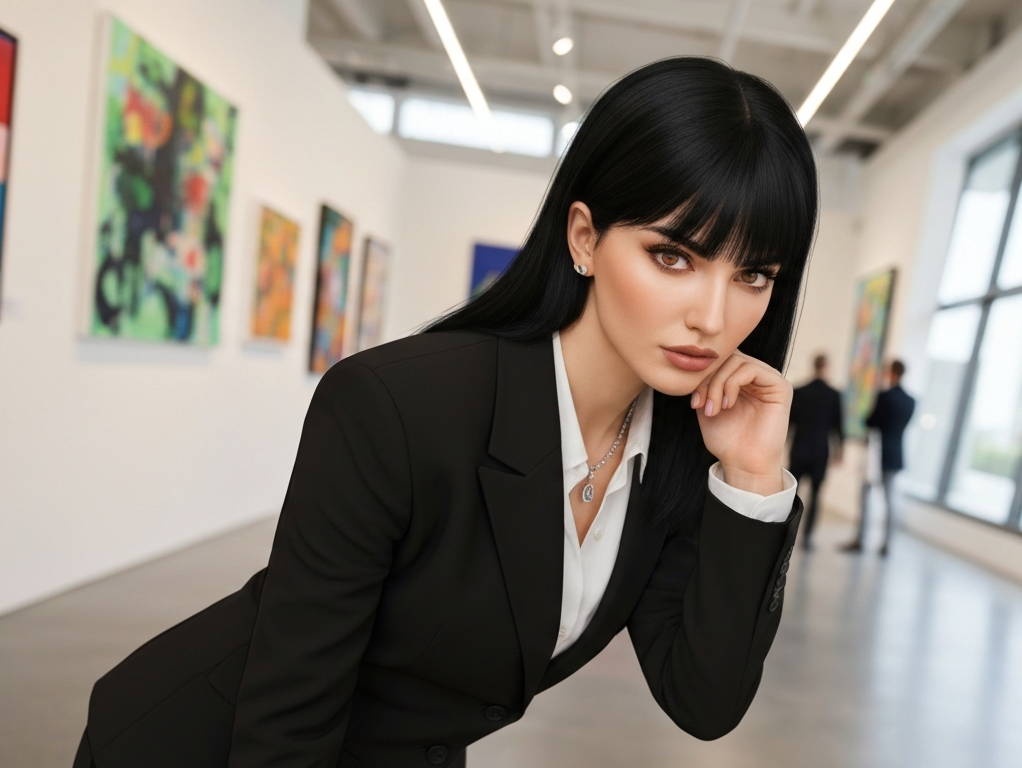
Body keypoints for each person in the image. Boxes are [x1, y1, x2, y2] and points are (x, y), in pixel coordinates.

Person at [71, 57, 817, 768]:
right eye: (674, 257)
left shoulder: (680, 451)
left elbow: (704, 700)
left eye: (753, 274)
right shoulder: (397, 407)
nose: (713, 317)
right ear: (585, 238)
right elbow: (289, 713)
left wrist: (752, 477)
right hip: (204, 744)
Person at [843, 359, 915, 556]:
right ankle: (887, 543)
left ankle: (861, 539)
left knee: (866, 494)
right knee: (890, 497)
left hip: (878, 453)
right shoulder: (910, 401)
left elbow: (871, 421)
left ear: (891, 373)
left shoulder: (885, 396)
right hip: (896, 454)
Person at [787, 353, 841, 549]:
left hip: (799, 448)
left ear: (814, 366)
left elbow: (788, 423)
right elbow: (838, 427)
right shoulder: (834, 394)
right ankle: (808, 535)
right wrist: (839, 452)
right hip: (820, 451)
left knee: (792, 494)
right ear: (826, 367)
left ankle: (787, 531)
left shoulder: (799, 391)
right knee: (816, 495)